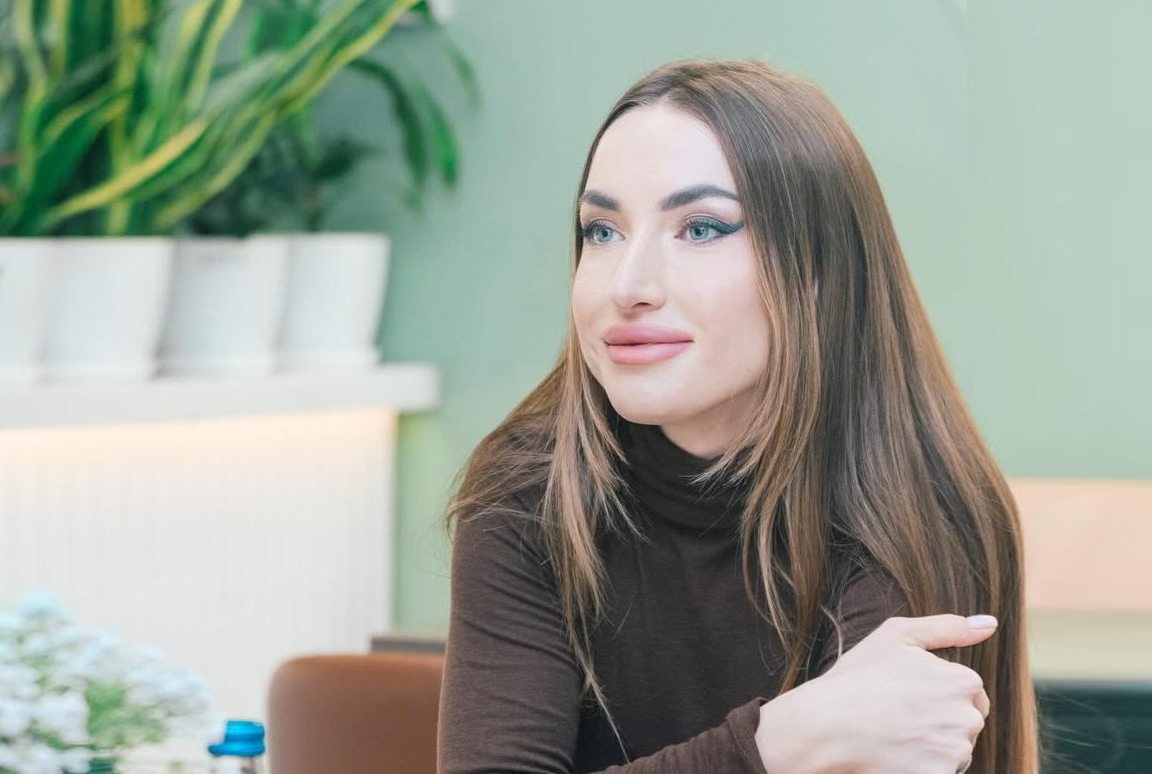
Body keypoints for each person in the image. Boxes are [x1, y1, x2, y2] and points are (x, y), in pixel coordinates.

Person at [437, 57, 1039, 773]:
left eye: (700, 229)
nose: (627, 286)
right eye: (601, 231)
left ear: (815, 271)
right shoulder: (529, 487)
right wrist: (777, 745)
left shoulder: (913, 502)